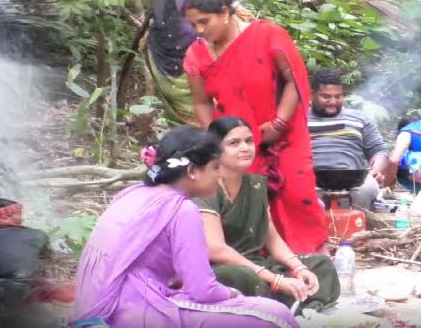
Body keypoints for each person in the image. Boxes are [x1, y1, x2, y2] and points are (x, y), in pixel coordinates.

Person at [70, 125, 298, 328]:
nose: (220, 175)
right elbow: (203, 289)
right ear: (191, 171)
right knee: (275, 316)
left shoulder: (129, 194)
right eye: (216, 167)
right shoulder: (182, 209)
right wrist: (232, 293)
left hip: (99, 308)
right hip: (137, 310)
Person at [182, 0, 328, 255]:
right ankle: (262, 265)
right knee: (249, 203)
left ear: (224, 13)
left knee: (298, 196)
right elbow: (201, 102)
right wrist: (216, 139)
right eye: (193, 25)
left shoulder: (267, 35)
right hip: (236, 141)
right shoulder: (196, 54)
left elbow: (293, 81)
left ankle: (313, 259)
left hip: (283, 136)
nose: (199, 30)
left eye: (204, 21)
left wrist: (278, 124)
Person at [199, 117, 340, 314]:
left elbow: (271, 238)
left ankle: (299, 309)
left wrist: (299, 268)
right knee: (243, 277)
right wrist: (275, 279)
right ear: (215, 150)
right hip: (223, 269)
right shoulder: (205, 188)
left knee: (321, 264)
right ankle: (286, 307)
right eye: (234, 143)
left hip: (258, 264)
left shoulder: (256, 185)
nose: (245, 148)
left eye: (249, 141)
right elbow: (216, 250)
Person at [306, 68, 395, 209]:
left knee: (367, 187)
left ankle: (355, 224)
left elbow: (380, 151)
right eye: (326, 96)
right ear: (311, 95)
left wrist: (376, 170)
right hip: (309, 179)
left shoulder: (360, 118)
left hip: (355, 180)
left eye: (338, 96)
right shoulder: (299, 118)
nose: (333, 102)